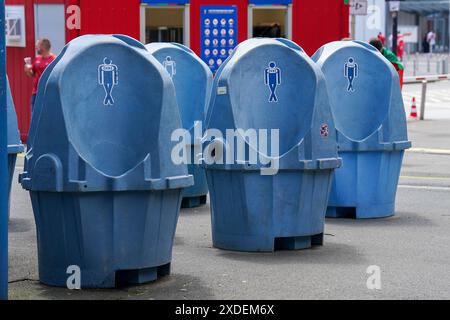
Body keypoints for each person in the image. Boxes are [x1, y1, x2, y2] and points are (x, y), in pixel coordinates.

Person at [24, 38, 56, 111]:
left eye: (38, 45)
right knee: (34, 117)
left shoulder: (54, 59)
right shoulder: (37, 59)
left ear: (44, 46)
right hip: (36, 93)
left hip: (48, 93)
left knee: (48, 115)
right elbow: (32, 75)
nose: (36, 47)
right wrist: (27, 70)